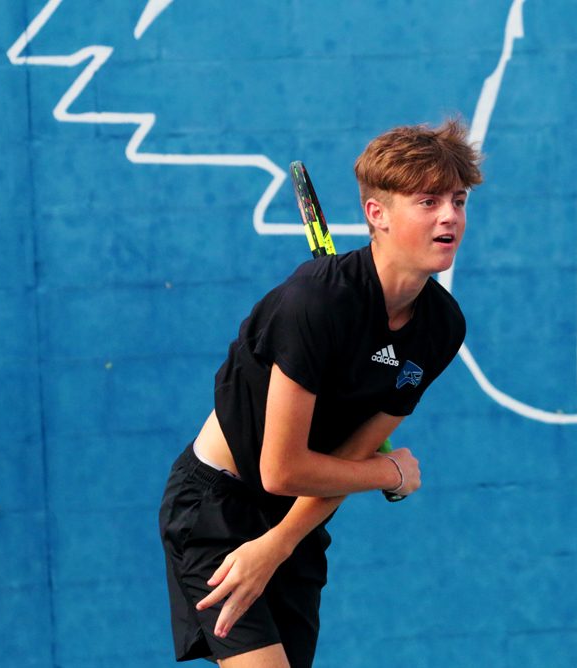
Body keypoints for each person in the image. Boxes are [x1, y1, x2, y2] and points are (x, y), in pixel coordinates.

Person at [159, 119, 483, 667]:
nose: (449, 215)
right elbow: (280, 469)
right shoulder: (315, 303)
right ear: (376, 214)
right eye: (427, 201)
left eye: (457, 199)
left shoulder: (442, 328)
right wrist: (391, 473)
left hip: (296, 522)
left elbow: (347, 456)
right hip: (217, 507)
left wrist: (280, 543)